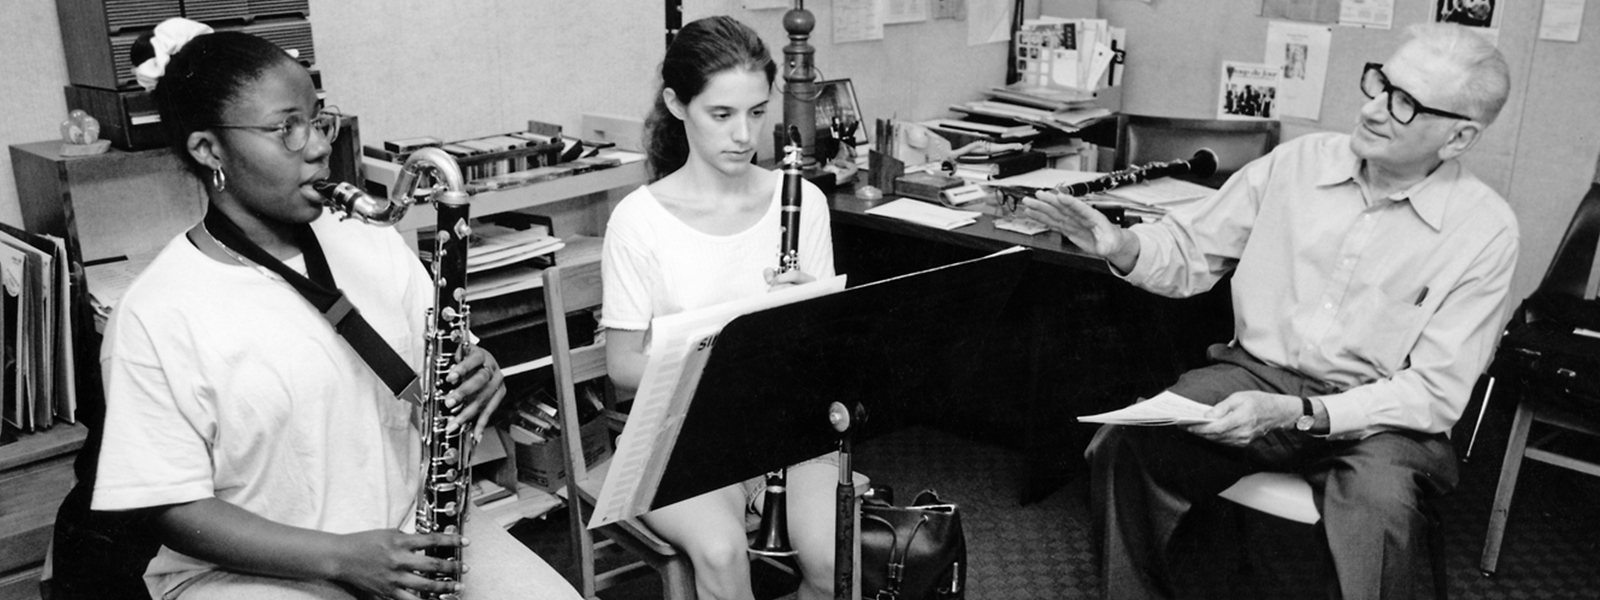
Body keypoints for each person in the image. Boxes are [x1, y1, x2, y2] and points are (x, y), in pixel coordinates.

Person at [86, 18, 578, 600]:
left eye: (317, 120)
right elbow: (171, 509)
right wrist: (343, 558)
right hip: (252, 572)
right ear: (209, 149)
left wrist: (480, 370)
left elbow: (440, 372)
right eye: (286, 129)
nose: (319, 146)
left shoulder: (370, 242)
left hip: (408, 530)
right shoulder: (153, 314)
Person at [1023, 22, 1516, 600]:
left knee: (1378, 515)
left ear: (1459, 138)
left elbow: (1433, 392)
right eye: (1381, 84)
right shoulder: (1298, 163)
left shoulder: (1485, 231)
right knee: (1125, 446)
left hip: (1383, 415)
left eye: (1404, 103)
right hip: (1256, 375)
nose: (1373, 109)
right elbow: (1190, 249)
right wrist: (1122, 245)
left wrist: (1300, 412)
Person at [601, 15, 841, 600]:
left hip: (784, 426)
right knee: (721, 552)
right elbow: (622, 366)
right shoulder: (638, 220)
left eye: (757, 112)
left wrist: (808, 318)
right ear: (677, 104)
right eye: (722, 114)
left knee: (837, 563)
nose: (744, 135)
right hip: (679, 433)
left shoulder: (803, 202)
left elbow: (829, 354)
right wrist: (725, 362)